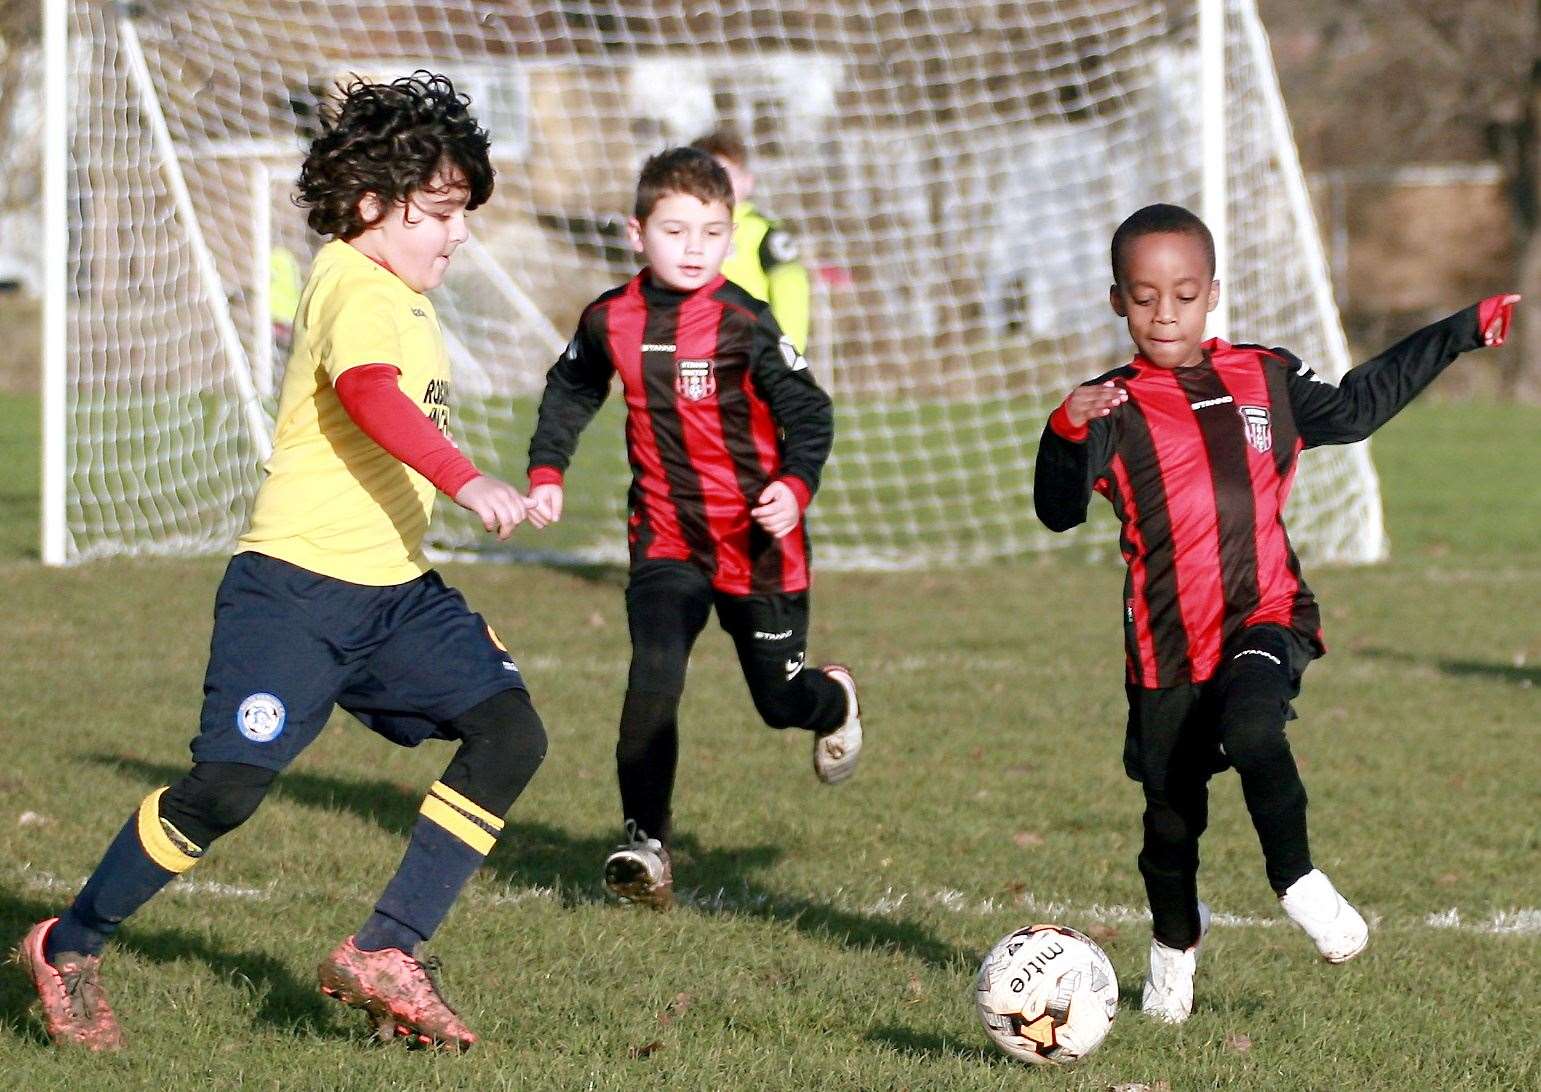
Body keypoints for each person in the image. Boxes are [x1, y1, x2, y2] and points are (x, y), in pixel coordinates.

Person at [14, 72, 547, 1053]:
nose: (458, 233)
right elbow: (370, 396)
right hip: (294, 594)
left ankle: (387, 949)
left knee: (508, 733)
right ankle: (69, 943)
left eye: (464, 212)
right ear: (371, 207)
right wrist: (471, 482)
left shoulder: (404, 292)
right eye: (440, 212)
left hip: (395, 598)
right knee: (223, 792)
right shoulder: (352, 279)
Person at [1033, 202, 1517, 1025]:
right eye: (1144, 297)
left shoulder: (1262, 378)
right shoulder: (1107, 407)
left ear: (1211, 293)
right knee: (1169, 822)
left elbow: (1358, 408)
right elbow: (1055, 510)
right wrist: (1062, 428)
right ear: (1117, 300)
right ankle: (1172, 946)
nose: (1164, 314)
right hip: (1165, 644)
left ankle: (1297, 880)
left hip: (1266, 615)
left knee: (1256, 731)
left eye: (1182, 294)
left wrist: (1457, 330)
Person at [522, 147, 861, 910]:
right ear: (635, 233)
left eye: (711, 232)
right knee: (655, 669)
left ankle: (831, 703)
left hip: (757, 542)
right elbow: (569, 390)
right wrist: (548, 470)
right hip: (666, 535)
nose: (693, 247)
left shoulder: (744, 319)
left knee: (778, 704)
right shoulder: (610, 318)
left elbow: (810, 410)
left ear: (729, 234)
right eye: (675, 231)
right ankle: (645, 843)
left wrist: (793, 487)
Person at [689, 130, 812, 353]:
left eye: (728, 174)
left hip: (750, 354)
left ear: (748, 182)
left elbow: (791, 291)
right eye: (707, 175)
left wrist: (787, 356)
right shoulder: (678, 231)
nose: (719, 184)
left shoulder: (765, 233)